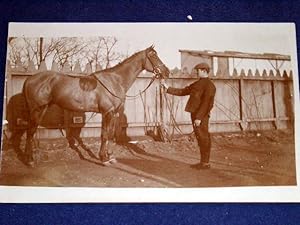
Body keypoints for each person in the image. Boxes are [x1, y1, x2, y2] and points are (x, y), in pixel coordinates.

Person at [161, 62, 216, 169]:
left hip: (201, 116)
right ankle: (203, 162)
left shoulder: (210, 86)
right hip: (195, 115)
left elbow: (207, 104)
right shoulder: (197, 84)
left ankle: (205, 163)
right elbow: (183, 91)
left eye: (198, 71)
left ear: (204, 71)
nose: (196, 72)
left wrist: (199, 118)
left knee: (204, 138)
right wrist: (167, 88)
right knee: (200, 138)